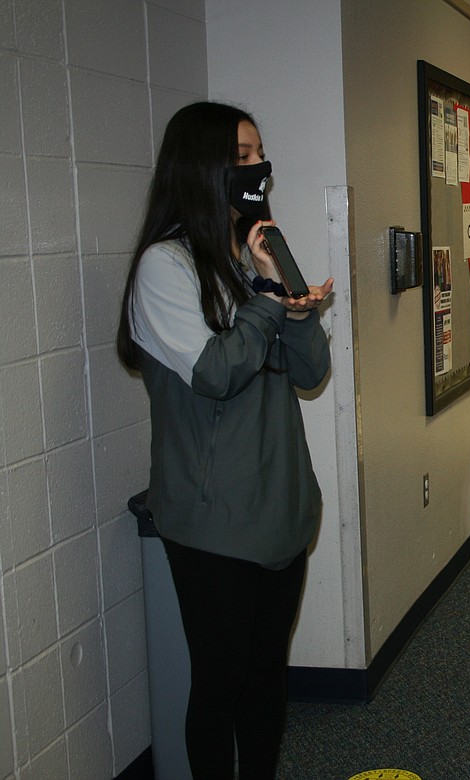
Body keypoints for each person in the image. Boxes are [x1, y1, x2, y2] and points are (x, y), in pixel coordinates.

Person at [116, 102, 334, 779]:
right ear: (203, 166)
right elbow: (215, 374)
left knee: (267, 675)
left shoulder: (253, 254)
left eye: (259, 153)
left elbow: (311, 373)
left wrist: (294, 311)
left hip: (282, 511)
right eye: (242, 155)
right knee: (221, 682)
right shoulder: (166, 267)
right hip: (214, 524)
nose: (258, 168)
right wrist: (269, 301)